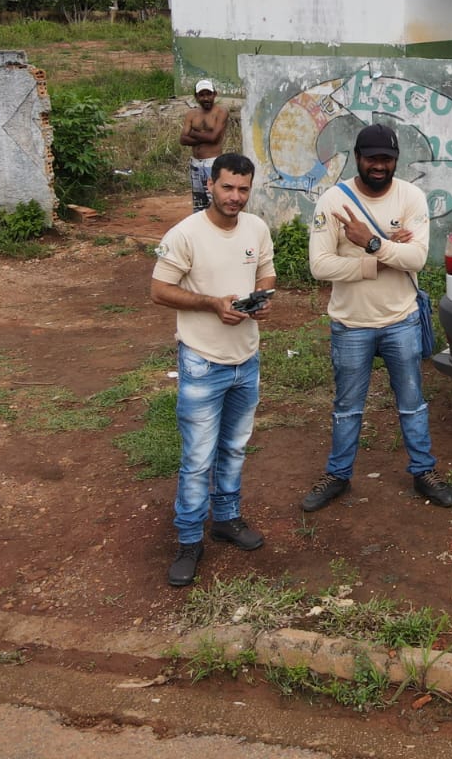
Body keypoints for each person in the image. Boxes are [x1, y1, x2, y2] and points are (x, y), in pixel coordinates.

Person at [302, 122, 452, 512]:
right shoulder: (333, 202)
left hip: (400, 320)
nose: (379, 166)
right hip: (350, 323)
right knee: (348, 406)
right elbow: (320, 266)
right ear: (358, 158)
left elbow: (418, 258)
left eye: (386, 159)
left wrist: (369, 243)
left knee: (412, 402)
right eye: (372, 158)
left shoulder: (411, 197)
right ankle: (337, 475)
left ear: (395, 161)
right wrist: (380, 260)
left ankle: (424, 471)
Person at [150, 152, 276, 588]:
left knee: (236, 447)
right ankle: (188, 541)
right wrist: (211, 302)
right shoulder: (185, 234)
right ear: (210, 185)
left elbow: (265, 274)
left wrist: (260, 300)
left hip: (247, 358)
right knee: (198, 457)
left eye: (243, 189)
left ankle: (226, 518)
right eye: (227, 187)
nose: (235, 197)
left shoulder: (257, 228)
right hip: (202, 361)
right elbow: (159, 290)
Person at [180, 79, 228, 212]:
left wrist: (193, 132)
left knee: (215, 199)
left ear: (215, 94)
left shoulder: (221, 112)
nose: (206, 98)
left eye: (209, 94)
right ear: (196, 97)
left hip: (212, 162)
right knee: (199, 203)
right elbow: (183, 139)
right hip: (195, 164)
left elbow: (214, 138)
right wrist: (205, 136)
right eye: (202, 95)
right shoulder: (191, 114)